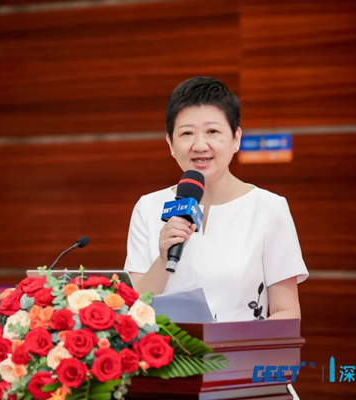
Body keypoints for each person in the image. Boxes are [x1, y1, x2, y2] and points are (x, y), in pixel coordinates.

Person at [123, 77, 308, 397]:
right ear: (170, 143)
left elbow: (286, 311)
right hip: (169, 380)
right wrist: (163, 257)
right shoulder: (148, 207)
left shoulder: (269, 208)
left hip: (245, 379)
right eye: (186, 133)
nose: (199, 145)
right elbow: (135, 307)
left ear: (236, 138)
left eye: (212, 131)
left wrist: (235, 355)